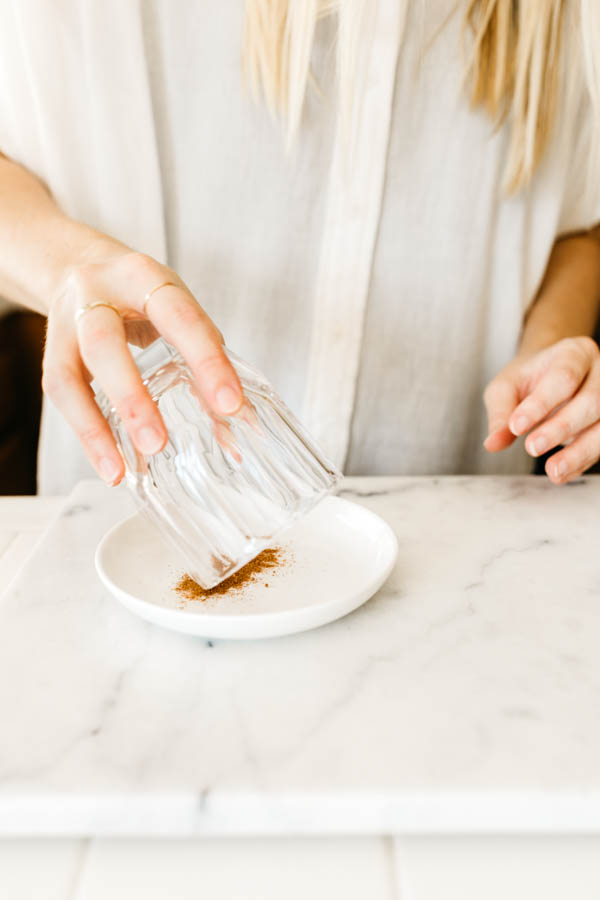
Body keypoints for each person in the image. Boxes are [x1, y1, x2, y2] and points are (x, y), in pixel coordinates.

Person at [0, 0, 599, 496]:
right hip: (142, 518)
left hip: (453, 534)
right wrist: (70, 266)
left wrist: (548, 352)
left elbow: (575, 220)